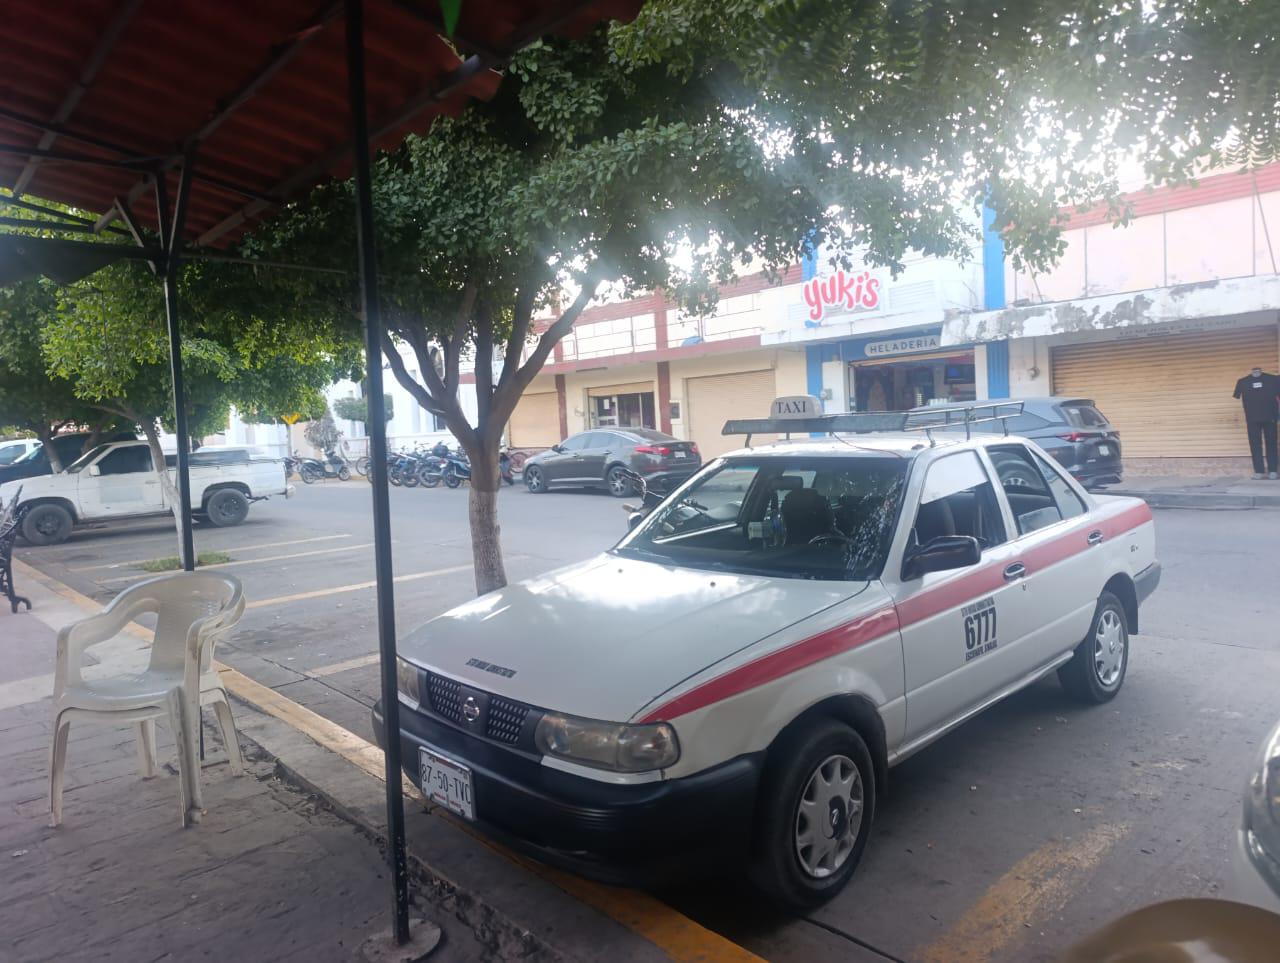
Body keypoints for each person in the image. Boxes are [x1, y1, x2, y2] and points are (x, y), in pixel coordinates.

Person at [1233, 365, 1280, 479]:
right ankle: (1258, 471)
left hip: (1271, 418)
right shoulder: (1242, 382)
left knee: (1272, 444)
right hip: (1252, 419)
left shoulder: (1274, 380)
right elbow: (1237, 395)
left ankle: (1273, 470)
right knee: (1255, 445)